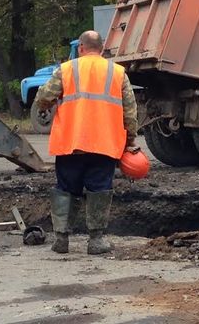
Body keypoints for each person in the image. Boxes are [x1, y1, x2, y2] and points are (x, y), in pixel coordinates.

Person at [35, 30, 138, 255]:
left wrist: (44, 108)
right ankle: (96, 240)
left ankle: (61, 239)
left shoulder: (66, 69)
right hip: (104, 143)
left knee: (65, 189)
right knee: (99, 188)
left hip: (71, 142)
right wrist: (129, 139)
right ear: (101, 49)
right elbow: (130, 112)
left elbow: (44, 97)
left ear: (81, 47)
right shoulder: (117, 72)